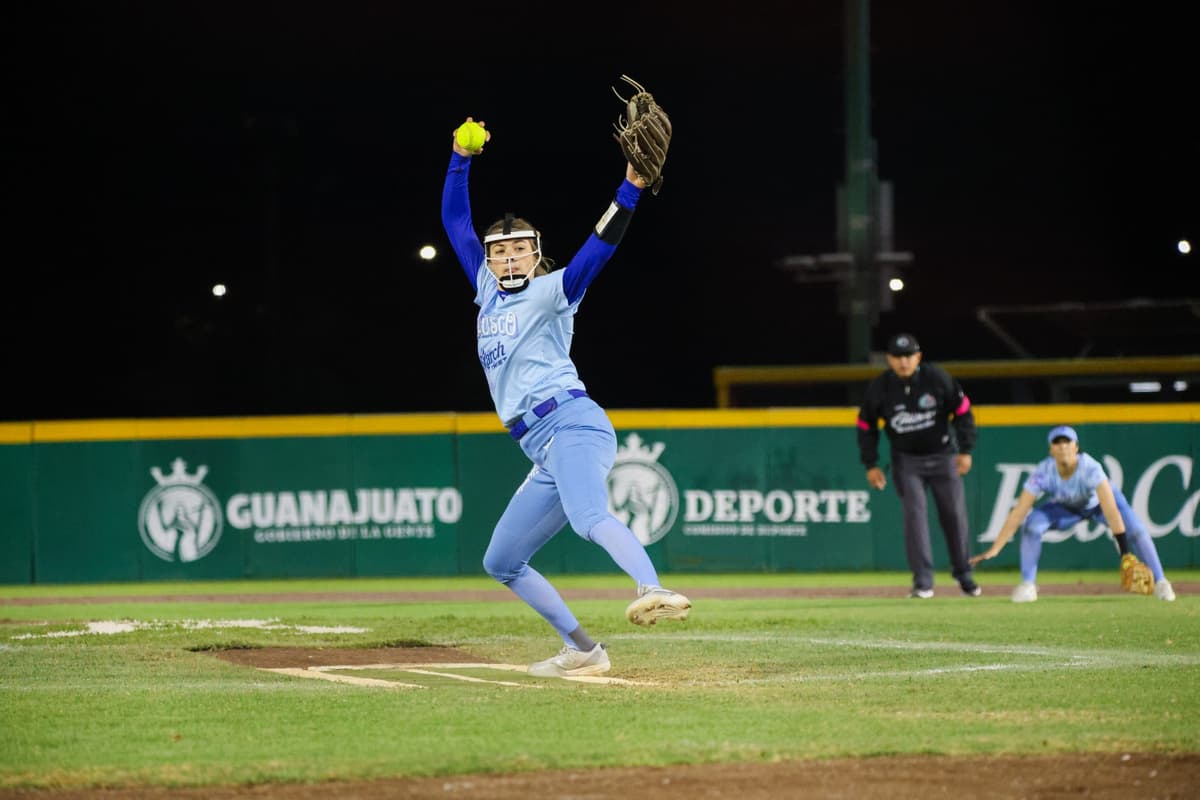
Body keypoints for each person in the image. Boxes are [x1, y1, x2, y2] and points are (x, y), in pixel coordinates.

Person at [440, 116, 690, 679]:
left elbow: (599, 247)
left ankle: (653, 586)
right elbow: (454, 220)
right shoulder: (484, 290)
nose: (507, 259)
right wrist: (460, 157)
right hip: (538, 447)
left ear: (535, 255)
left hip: (572, 424)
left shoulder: (555, 291)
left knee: (587, 516)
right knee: (501, 561)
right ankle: (584, 650)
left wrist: (629, 187)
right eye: (499, 251)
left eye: (518, 250)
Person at [969, 425, 1176, 603]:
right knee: (1032, 525)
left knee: (1138, 531)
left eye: (1067, 442)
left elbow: (1111, 510)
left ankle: (1161, 582)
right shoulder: (1043, 471)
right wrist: (995, 548)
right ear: (1051, 450)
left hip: (1100, 506)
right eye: (1057, 443)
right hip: (1066, 509)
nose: (1062, 446)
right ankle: (1028, 586)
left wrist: (1125, 552)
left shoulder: (1091, 468)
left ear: (1076, 447)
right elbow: (1019, 512)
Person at [856, 332, 981, 598]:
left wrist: (966, 449)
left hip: (944, 456)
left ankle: (964, 575)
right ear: (889, 359)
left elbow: (962, 412)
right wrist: (871, 464)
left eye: (909, 356)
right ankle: (923, 582)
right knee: (915, 518)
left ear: (918, 357)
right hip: (906, 461)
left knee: (954, 516)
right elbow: (866, 426)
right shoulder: (880, 387)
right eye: (898, 357)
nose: (904, 362)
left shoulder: (937, 378)